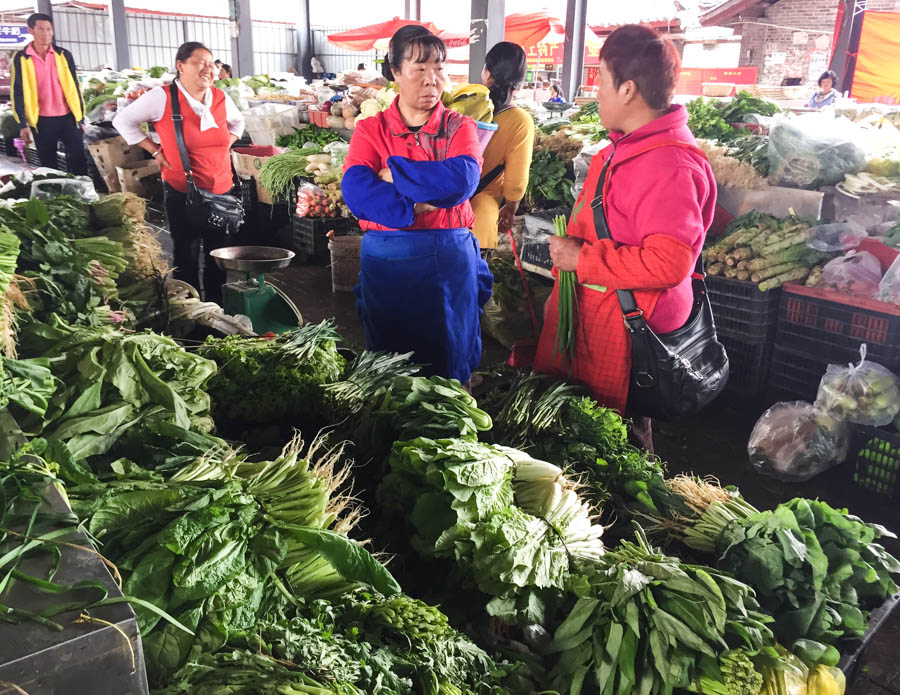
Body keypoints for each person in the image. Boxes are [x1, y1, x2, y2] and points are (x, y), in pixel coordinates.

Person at [534, 24, 716, 451]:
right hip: (604, 315)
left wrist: (580, 261)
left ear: (628, 89)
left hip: (631, 330)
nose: (596, 92)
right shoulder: (627, 148)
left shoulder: (668, 165)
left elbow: (668, 264)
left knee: (619, 443)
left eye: (601, 79)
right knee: (592, 432)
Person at [341, 25, 492, 385]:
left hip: (447, 261)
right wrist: (417, 205)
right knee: (390, 368)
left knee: (449, 362)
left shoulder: (459, 127)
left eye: (438, 68)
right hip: (386, 265)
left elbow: (462, 180)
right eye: (419, 68)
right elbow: (356, 191)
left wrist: (392, 173)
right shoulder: (371, 129)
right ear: (395, 72)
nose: (431, 80)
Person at [113, 41, 245, 304]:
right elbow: (123, 121)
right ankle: (189, 309)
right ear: (180, 66)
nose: (208, 69)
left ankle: (215, 309)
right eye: (200, 62)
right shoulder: (163, 97)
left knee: (218, 256)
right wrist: (154, 151)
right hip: (183, 190)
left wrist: (226, 144)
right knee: (187, 255)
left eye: (211, 64)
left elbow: (238, 122)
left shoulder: (220, 97)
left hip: (221, 190)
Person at [471, 41, 535, 256]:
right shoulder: (520, 121)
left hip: (437, 217)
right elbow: (516, 181)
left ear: (487, 73)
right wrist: (510, 207)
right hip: (478, 221)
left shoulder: (461, 105)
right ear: (519, 82)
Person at [10, 13, 87, 174]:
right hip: (41, 120)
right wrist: (22, 124)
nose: (45, 33)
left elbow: (75, 86)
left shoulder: (64, 55)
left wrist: (81, 119)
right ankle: (55, 189)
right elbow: (17, 91)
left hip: (68, 117)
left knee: (78, 160)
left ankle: (83, 189)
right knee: (48, 165)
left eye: (48, 29)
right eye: (41, 29)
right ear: (30, 30)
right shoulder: (21, 58)